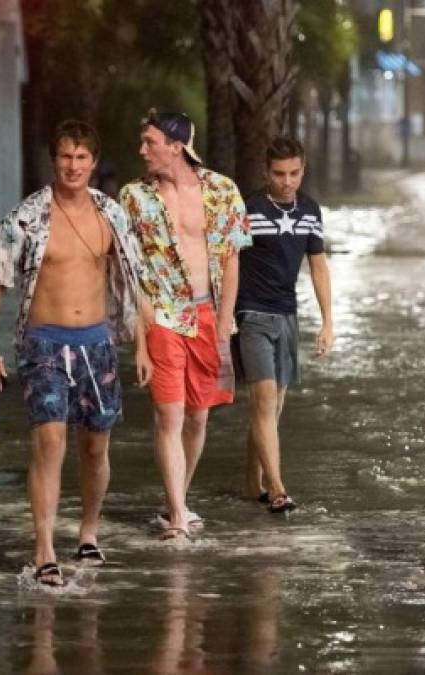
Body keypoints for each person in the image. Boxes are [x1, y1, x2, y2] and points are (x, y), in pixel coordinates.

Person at [0, 120, 149, 587]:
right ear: (54, 161)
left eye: (81, 157)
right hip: (44, 343)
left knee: (95, 448)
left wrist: (144, 346)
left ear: (94, 163)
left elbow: (135, 283)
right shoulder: (27, 216)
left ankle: (88, 534)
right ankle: (44, 549)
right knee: (50, 444)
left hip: (98, 343)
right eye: (65, 157)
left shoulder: (112, 215)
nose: (73, 166)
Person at [120, 109, 250, 542]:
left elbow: (232, 260)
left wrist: (226, 322)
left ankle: (177, 497)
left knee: (198, 417)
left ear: (176, 146)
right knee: (169, 414)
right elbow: (129, 270)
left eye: (150, 142)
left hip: (208, 313)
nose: (142, 151)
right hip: (162, 313)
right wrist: (141, 332)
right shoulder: (134, 197)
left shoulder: (222, 190)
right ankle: (177, 517)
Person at [234, 136, 333, 513]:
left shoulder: (310, 210)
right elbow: (228, 263)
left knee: (272, 409)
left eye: (293, 173)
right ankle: (276, 488)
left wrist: (327, 322)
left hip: (288, 315)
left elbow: (318, 266)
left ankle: (250, 484)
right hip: (252, 314)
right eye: (278, 174)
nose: (286, 181)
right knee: (262, 401)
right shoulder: (250, 209)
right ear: (266, 172)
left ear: (302, 171)